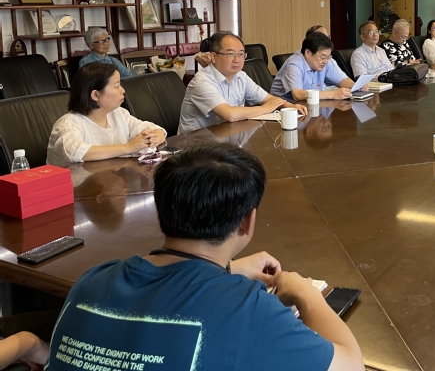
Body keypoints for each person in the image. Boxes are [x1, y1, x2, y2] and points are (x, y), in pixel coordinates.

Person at [45, 142, 364, 371]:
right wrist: (307, 295)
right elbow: (351, 365)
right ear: (248, 221)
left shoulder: (92, 281)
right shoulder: (248, 308)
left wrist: (229, 269)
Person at [179, 32, 305, 134]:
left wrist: (289, 106)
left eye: (241, 54)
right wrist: (266, 109)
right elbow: (230, 114)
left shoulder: (241, 76)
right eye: (230, 54)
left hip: (226, 137)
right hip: (195, 146)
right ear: (213, 57)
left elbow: (267, 99)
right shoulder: (201, 81)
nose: (237, 59)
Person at [47, 63, 166, 168]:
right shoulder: (68, 124)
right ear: (96, 95)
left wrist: (154, 138)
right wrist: (128, 148)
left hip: (112, 179)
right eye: (116, 86)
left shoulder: (118, 113)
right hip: (78, 185)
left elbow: (153, 129)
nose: (123, 90)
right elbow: (75, 151)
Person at [270, 33, 354, 102]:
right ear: (308, 53)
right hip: (284, 110)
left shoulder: (324, 62)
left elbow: (341, 81)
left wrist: (357, 87)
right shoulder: (294, 65)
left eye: (328, 57)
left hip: (310, 105)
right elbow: (297, 95)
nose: (325, 61)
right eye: (323, 57)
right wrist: (333, 94)